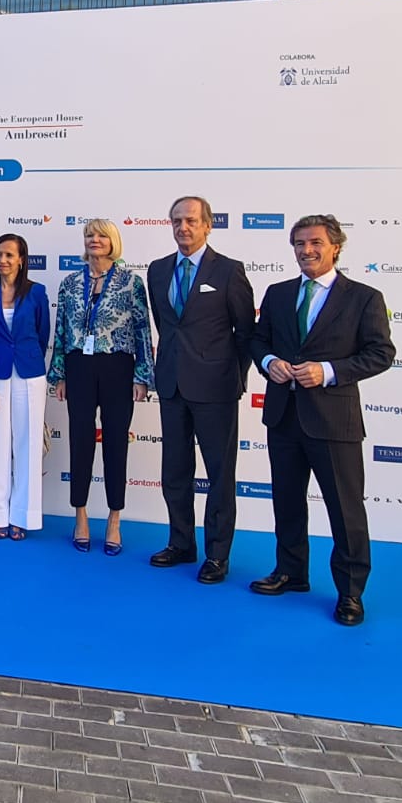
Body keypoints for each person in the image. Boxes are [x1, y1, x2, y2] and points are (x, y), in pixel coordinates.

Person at [248, 214, 395, 626]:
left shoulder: (364, 297)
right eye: (298, 243)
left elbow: (381, 353)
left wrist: (328, 371)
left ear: (335, 247)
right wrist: (270, 362)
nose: (306, 251)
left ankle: (350, 592)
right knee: (287, 502)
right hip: (283, 416)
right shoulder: (278, 294)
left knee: (345, 511)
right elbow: (258, 340)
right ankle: (291, 572)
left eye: (314, 243)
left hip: (334, 421)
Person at [146, 196, 255, 583]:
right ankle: (181, 543)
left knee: (220, 474)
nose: (183, 227)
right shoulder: (158, 271)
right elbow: (166, 325)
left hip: (217, 389)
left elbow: (246, 333)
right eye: (177, 221)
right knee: (175, 470)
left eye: (191, 220)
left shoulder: (228, 271)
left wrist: (232, 377)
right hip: (172, 385)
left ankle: (218, 555)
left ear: (208, 225)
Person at [47, 218, 154, 555]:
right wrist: (60, 373)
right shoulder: (69, 282)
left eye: (101, 236)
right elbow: (60, 331)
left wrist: (142, 376)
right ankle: (80, 516)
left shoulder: (131, 282)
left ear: (113, 242)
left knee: (115, 445)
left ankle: (114, 518)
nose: (95, 240)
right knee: (80, 440)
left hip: (117, 366)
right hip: (78, 365)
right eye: (89, 235)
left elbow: (142, 330)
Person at [0, 233, 50, 539]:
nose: (2, 260)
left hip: (30, 374)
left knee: (28, 445)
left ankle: (23, 516)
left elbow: (43, 335)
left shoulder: (37, 292)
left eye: (9, 255)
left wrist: (28, 358)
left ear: (21, 260)